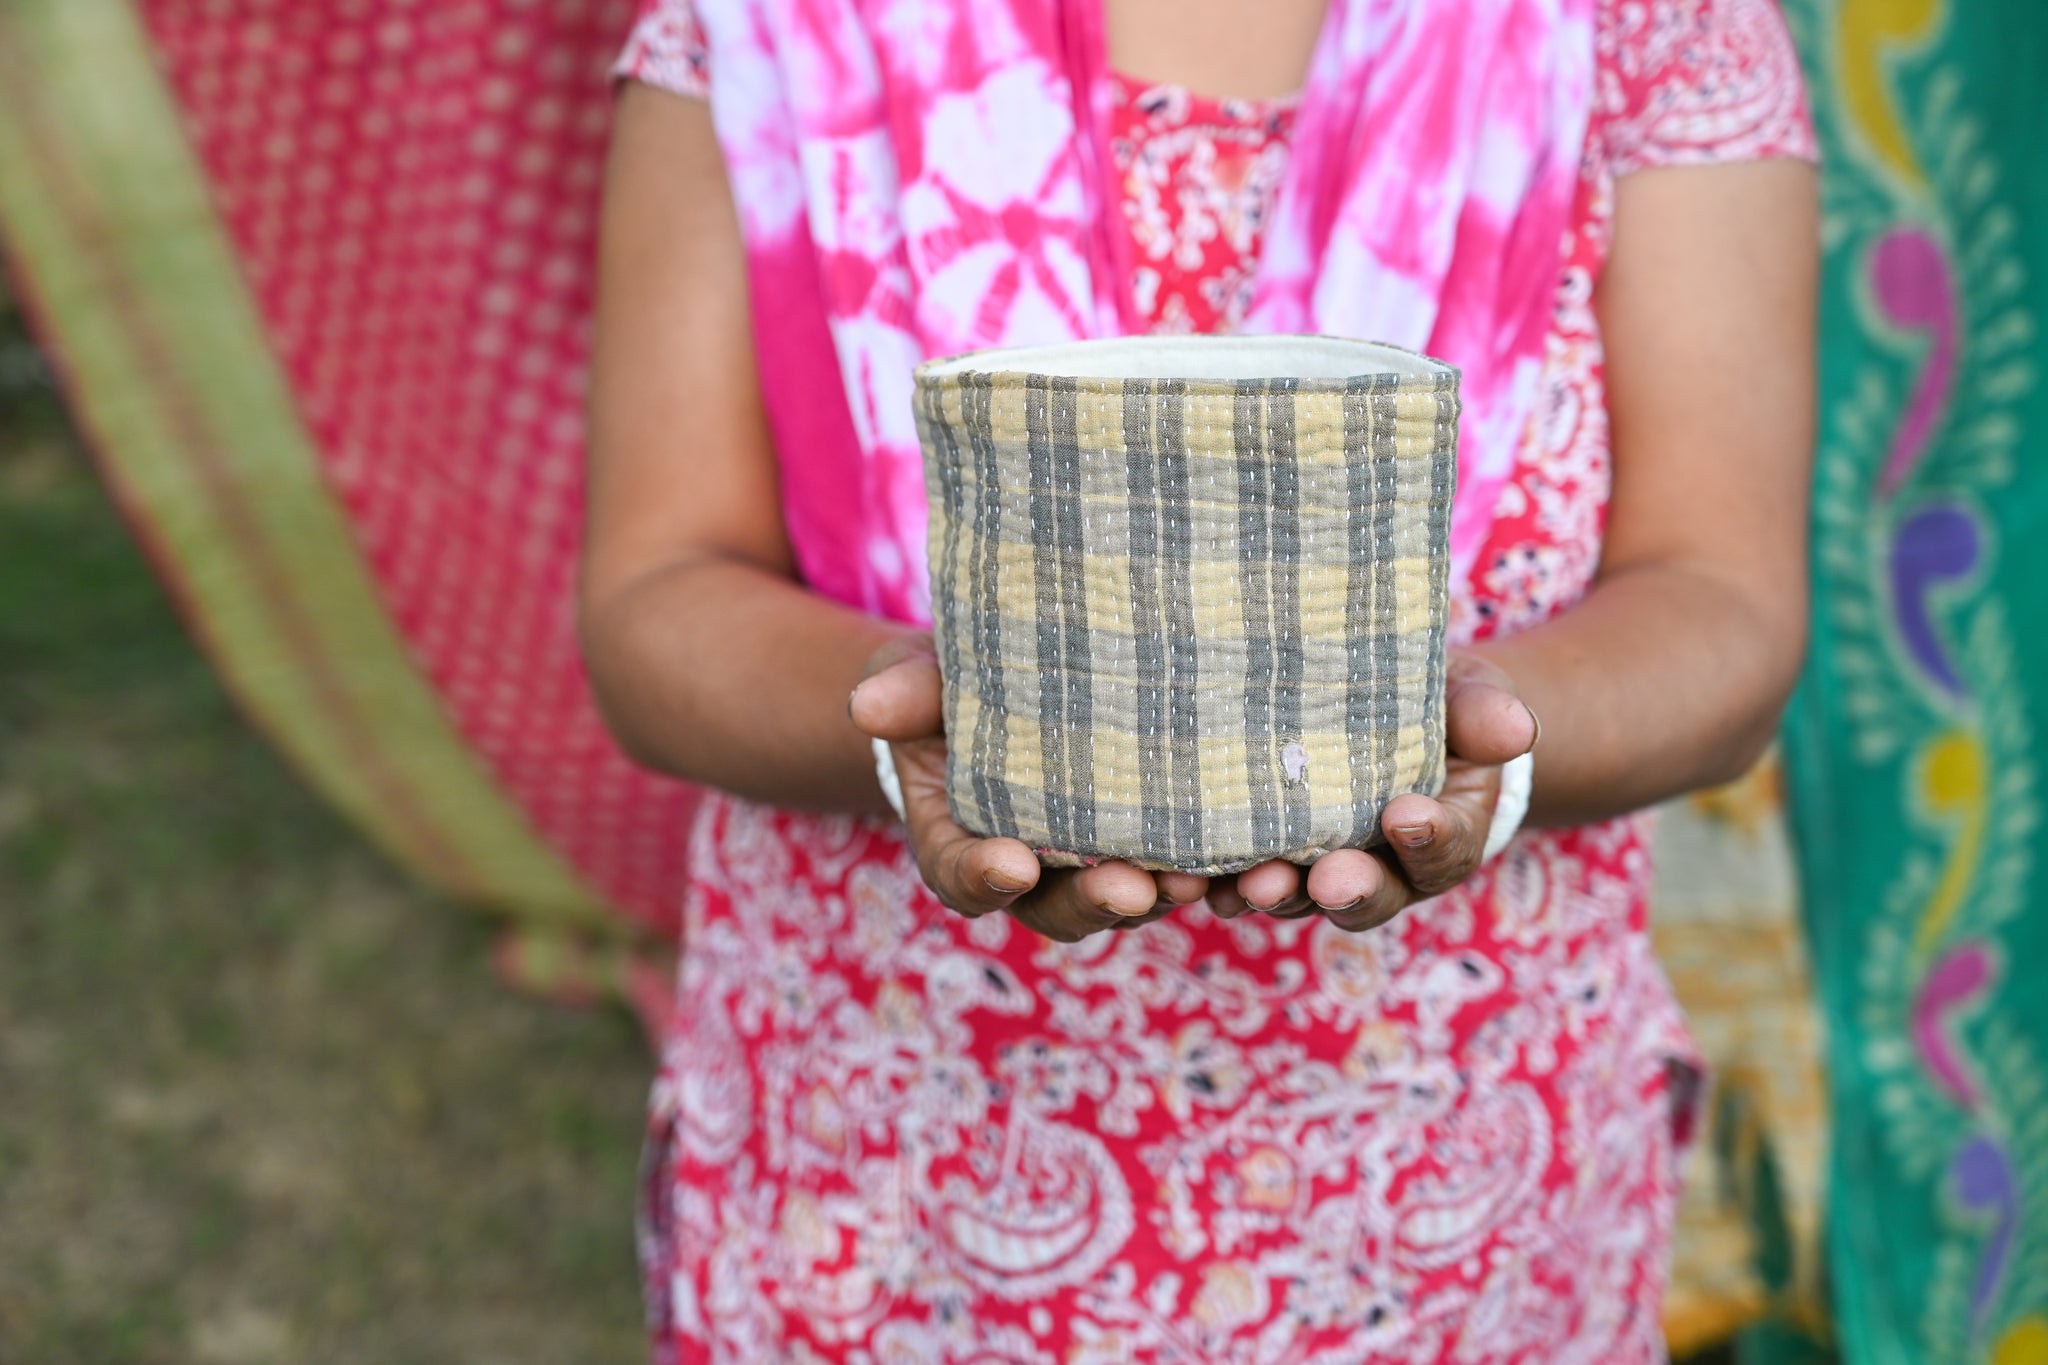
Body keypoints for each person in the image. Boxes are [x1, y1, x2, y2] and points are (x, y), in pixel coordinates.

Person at [582, 0, 1819, 1357]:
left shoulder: (1655, 29)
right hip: (887, 1157)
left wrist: (1472, 740)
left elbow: (1724, 603)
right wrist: (932, 704)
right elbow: (656, 604)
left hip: (1449, 1184)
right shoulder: (773, 26)